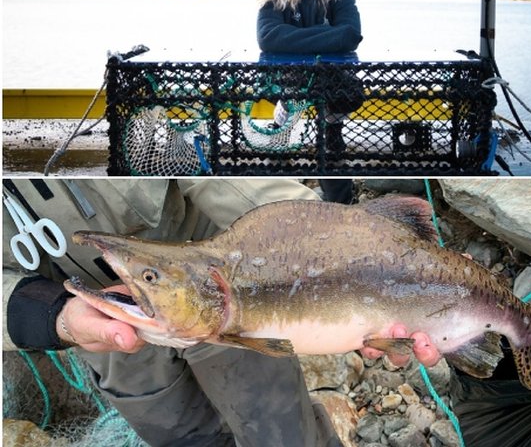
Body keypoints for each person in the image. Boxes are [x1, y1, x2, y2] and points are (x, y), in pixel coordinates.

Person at [2, 179, 439, 447]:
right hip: (96, 327)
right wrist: (51, 315)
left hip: (232, 295)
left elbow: (233, 182)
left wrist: (339, 238)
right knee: (181, 439)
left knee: (282, 434)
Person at [256, 0, 364, 154]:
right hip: (285, 75)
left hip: (331, 74)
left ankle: (332, 127)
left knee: (350, 92)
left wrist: (291, 36)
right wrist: (327, 33)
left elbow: (350, 34)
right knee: (287, 88)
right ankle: (282, 126)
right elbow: (268, 37)